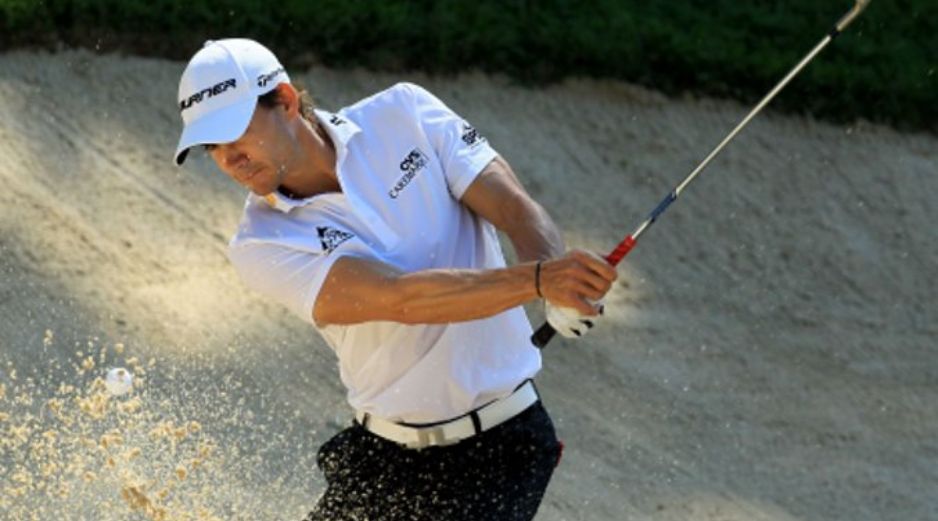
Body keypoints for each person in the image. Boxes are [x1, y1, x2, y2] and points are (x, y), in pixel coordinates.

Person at [173, 39, 618, 521]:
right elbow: (401, 299)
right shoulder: (261, 242)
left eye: (235, 134)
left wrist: (555, 279)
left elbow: (513, 207)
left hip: (501, 453)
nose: (227, 159)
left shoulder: (405, 113)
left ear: (285, 100)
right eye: (211, 147)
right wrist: (539, 280)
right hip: (383, 459)